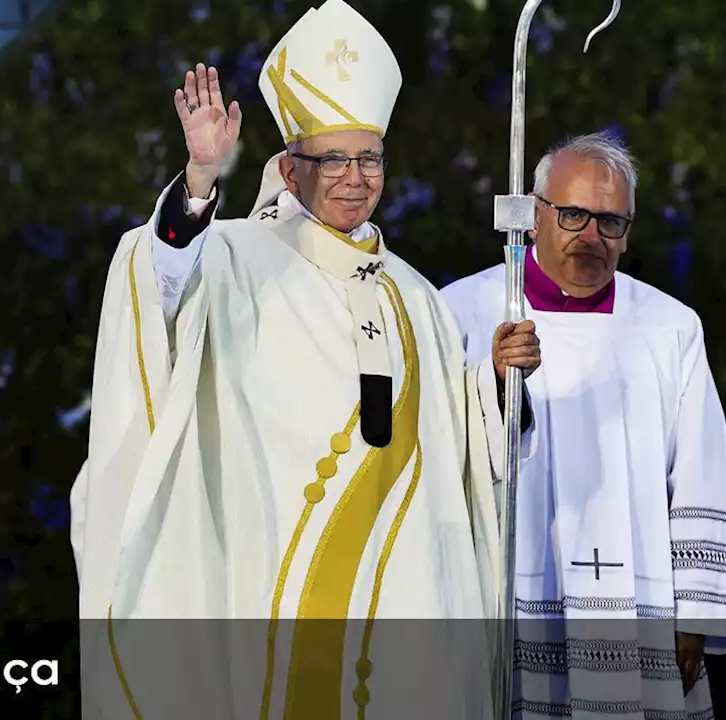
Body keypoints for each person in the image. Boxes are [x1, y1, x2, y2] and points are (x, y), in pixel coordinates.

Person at [68, 0, 540, 716]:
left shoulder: (417, 296)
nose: (356, 176)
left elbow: (459, 452)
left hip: (409, 592)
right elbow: (160, 276)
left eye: (370, 157)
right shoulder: (235, 257)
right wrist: (199, 180)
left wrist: (498, 388)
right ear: (289, 170)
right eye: (334, 159)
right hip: (274, 582)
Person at [440, 131, 726, 719]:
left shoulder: (670, 328)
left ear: (629, 232)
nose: (591, 236)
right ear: (535, 216)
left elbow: (700, 467)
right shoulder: (460, 312)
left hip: (642, 611)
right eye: (573, 215)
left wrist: (695, 613)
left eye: (610, 222)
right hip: (504, 601)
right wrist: (490, 379)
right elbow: (435, 458)